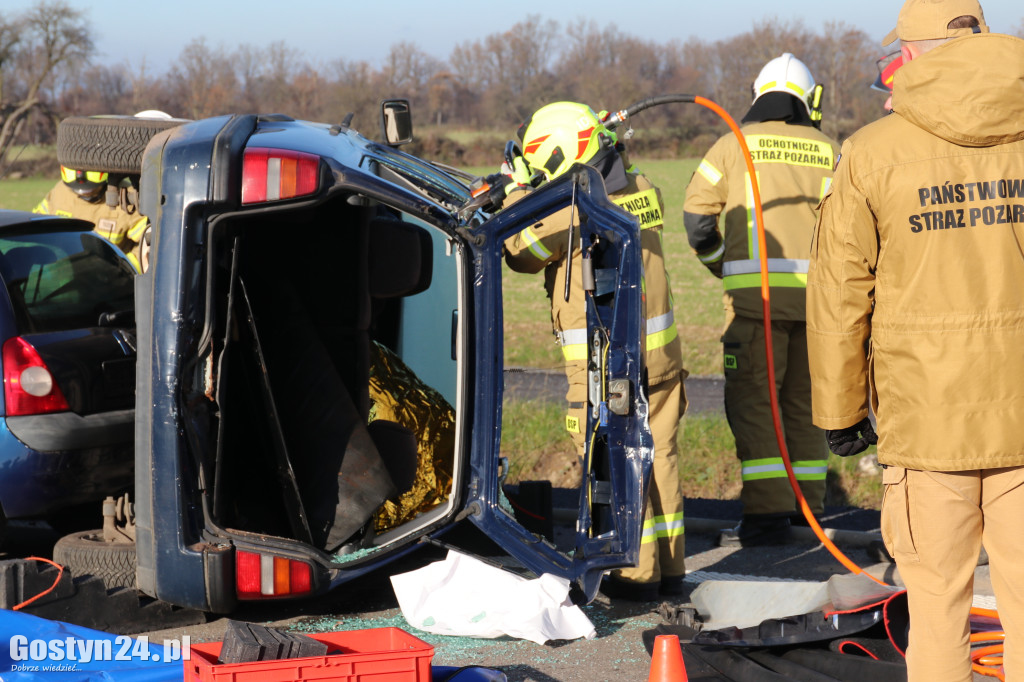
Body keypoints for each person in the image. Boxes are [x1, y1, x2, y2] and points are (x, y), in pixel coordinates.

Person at [806, 1, 1024, 679]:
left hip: (928, 424)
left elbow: (839, 295)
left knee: (935, 607)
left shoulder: (874, 152)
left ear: (916, 51)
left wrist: (839, 413)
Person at [502, 102, 687, 601]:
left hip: (608, 365)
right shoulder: (641, 188)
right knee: (659, 457)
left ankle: (633, 575)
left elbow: (519, 249)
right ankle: (670, 569)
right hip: (660, 358)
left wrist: (517, 190)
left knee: (615, 460)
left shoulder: (573, 211)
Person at [682, 54, 839, 547]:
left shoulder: (733, 146)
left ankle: (769, 516)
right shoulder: (831, 151)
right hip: (819, 311)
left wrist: (723, 266)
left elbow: (697, 221)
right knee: (806, 407)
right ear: (809, 101)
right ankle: (806, 509)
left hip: (756, 310)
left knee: (756, 405)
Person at [33, 166, 149, 272]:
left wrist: (122, 267)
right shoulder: (60, 192)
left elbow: (149, 241)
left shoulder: (126, 197)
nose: (82, 191)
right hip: (64, 273)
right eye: (76, 189)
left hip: (108, 281)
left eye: (90, 189)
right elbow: (34, 224)